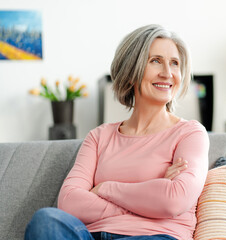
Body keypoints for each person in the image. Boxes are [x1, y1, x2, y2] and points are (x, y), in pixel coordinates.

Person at [24, 24, 209, 240]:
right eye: (155, 61)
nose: (168, 73)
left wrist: (104, 188)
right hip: (91, 235)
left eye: (175, 63)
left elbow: (173, 200)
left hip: (154, 236)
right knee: (46, 221)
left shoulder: (190, 133)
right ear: (131, 72)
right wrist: (148, 201)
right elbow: (69, 202)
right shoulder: (99, 137)